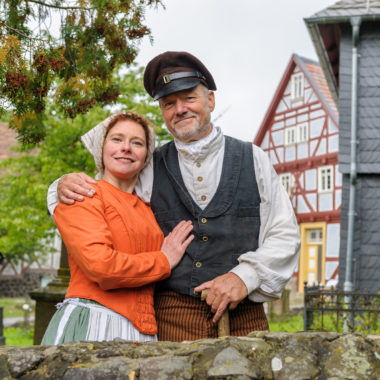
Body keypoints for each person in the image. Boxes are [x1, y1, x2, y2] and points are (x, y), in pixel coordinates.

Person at [47, 51, 300, 342]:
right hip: (171, 318)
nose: (180, 109)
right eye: (169, 103)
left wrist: (244, 277)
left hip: (245, 316)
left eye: (189, 98)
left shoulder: (253, 158)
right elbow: (108, 191)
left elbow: (284, 234)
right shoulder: (149, 163)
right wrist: (61, 185)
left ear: (211, 100)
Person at [42, 111, 194, 345]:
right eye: (117, 139)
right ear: (100, 148)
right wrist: (163, 261)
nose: (126, 148)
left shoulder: (149, 209)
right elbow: (100, 266)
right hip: (93, 322)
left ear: (145, 156)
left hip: (142, 332)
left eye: (137, 143)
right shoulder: (83, 194)